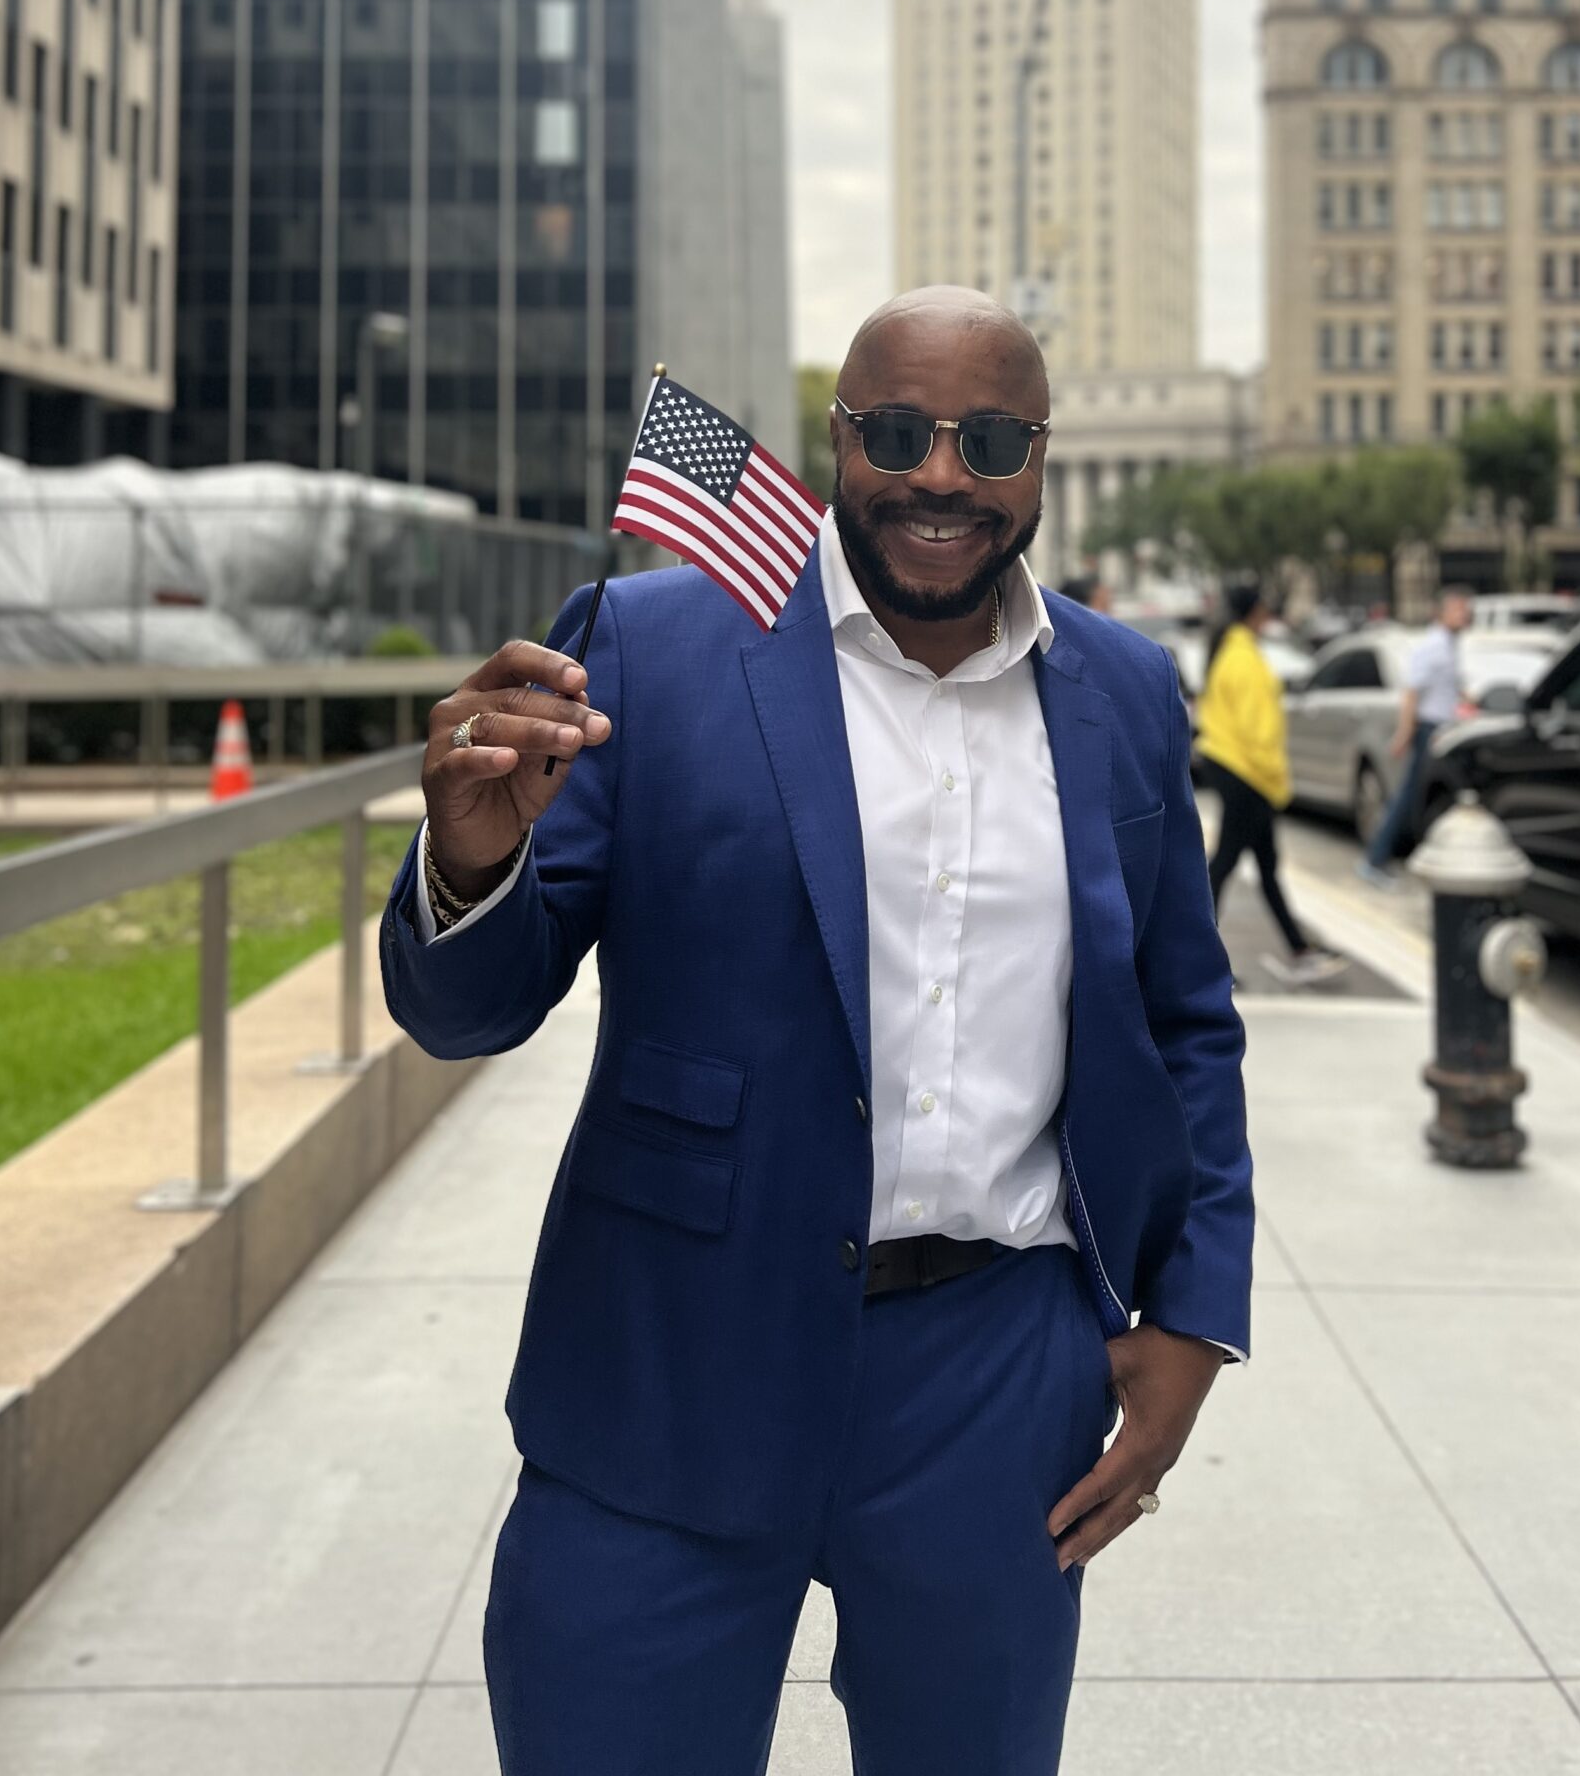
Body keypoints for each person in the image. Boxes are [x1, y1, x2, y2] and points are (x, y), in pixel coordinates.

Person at [382, 284, 1253, 1776]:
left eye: (989, 440)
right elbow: (470, 1010)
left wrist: (1193, 1320)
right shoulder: (651, 649)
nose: (939, 477)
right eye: (898, 432)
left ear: (1038, 460)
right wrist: (471, 863)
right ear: (836, 439)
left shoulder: (1125, 689)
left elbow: (1185, 1023)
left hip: (990, 1379)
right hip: (664, 1356)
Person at [1195, 582, 1347, 989]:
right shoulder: (1243, 658)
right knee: (1225, 864)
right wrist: (1276, 780)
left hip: (1237, 768)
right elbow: (1257, 729)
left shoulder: (1232, 651)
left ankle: (1299, 950)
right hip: (1247, 772)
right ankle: (1194, 957)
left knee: (1261, 867)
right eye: (1265, 609)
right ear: (1255, 613)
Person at [1356, 585, 1473, 888]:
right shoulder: (1433, 645)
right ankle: (1375, 859)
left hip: (1442, 729)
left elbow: (1449, 688)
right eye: (1459, 608)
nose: (1466, 614)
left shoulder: (1449, 644)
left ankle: (1388, 858)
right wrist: (1405, 733)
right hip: (1428, 731)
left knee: (1419, 798)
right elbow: (1412, 693)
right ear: (1443, 611)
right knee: (1408, 798)